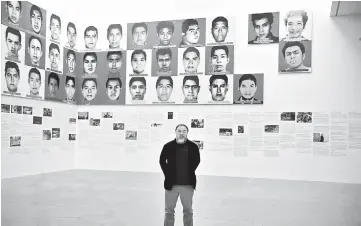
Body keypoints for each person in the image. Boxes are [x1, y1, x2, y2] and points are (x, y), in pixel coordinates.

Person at [159, 124, 200, 226]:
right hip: (171, 185)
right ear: (175, 132)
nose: (181, 133)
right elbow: (162, 161)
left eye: (184, 131)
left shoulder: (193, 146)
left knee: (188, 211)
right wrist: (167, 174)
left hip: (188, 185)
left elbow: (197, 160)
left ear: (187, 132)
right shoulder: (168, 146)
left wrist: (189, 171)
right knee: (169, 211)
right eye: (179, 131)